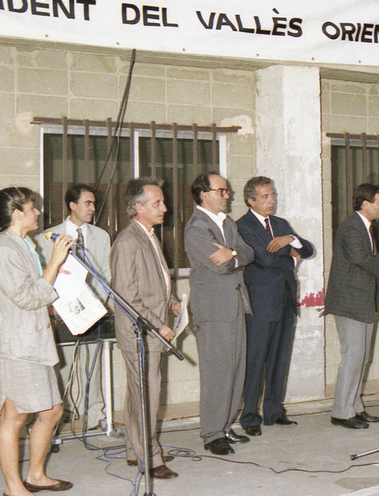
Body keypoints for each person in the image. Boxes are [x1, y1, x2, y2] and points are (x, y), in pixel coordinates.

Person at [0, 186, 75, 496]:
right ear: (17, 214)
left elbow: (35, 289)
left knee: (51, 411)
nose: (37, 213)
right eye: (32, 208)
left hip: (32, 342)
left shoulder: (24, 244)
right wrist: (54, 264)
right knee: (15, 415)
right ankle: (13, 488)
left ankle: (35, 475)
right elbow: (28, 297)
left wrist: (61, 275)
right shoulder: (4, 250)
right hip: (14, 347)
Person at [110, 178, 180, 479]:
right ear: (138, 208)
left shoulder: (148, 235)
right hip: (140, 332)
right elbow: (126, 296)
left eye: (163, 202)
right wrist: (159, 324)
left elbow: (156, 280)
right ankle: (149, 459)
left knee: (138, 392)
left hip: (151, 327)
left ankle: (133, 449)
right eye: (157, 203)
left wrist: (173, 301)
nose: (165, 208)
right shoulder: (127, 242)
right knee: (147, 395)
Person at [236, 176, 314, 436]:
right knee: (256, 360)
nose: (272, 201)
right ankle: (249, 417)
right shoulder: (242, 226)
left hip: (285, 300)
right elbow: (264, 259)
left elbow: (309, 249)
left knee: (280, 358)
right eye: (266, 196)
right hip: (260, 303)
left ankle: (274, 411)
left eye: (273, 195)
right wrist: (292, 259)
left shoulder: (281, 225)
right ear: (251, 200)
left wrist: (290, 238)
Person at [184, 172, 254, 455]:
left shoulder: (227, 223)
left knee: (236, 370)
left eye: (226, 191)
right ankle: (212, 433)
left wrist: (234, 253)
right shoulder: (197, 228)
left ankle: (225, 426)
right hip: (213, 309)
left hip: (235, 303)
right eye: (222, 191)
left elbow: (248, 253)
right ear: (204, 194)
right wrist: (235, 256)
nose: (227, 195)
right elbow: (220, 266)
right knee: (217, 372)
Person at [36, 183, 111, 430]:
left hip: (93, 310)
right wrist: (55, 307)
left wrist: (98, 304)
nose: (93, 208)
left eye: (93, 203)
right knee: (63, 365)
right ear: (72, 205)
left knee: (94, 365)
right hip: (61, 312)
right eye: (87, 203)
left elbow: (106, 274)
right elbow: (44, 274)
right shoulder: (47, 237)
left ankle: (94, 414)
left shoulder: (101, 236)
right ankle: (61, 414)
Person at [324, 183, 379, 429]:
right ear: (366, 204)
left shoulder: (366, 227)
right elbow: (359, 257)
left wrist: (378, 263)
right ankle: (341, 412)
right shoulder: (352, 227)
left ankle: (355, 406)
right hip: (349, 302)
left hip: (362, 300)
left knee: (361, 357)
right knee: (353, 356)